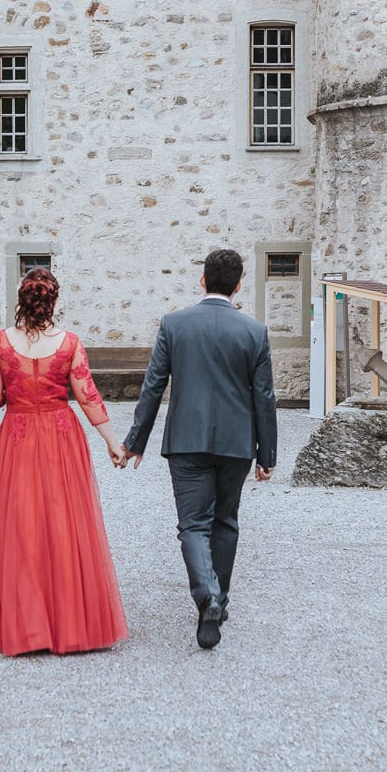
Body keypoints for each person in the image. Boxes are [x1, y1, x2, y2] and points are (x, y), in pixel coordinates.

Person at [0, 268, 129, 656]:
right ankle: (67, 619)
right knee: (63, 522)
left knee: (21, 524)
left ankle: (25, 622)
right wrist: (113, 443)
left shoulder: (0, 342)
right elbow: (87, 397)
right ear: (53, 302)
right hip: (60, 435)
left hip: (18, 435)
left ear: (22, 300)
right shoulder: (70, 343)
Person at [120, 248, 278, 650]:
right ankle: (217, 600)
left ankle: (206, 595)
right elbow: (264, 397)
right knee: (225, 521)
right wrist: (267, 455)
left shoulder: (174, 325)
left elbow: (153, 385)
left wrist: (135, 441)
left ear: (203, 280)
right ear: (239, 285)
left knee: (192, 524)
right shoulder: (254, 332)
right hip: (236, 442)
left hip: (186, 440)